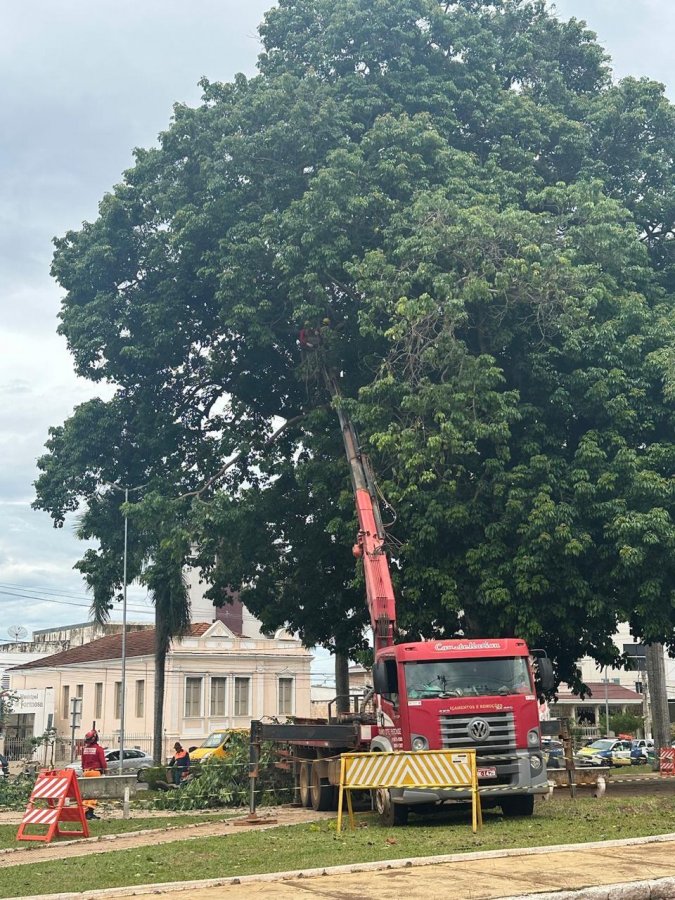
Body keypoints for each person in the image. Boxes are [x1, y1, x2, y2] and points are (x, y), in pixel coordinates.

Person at [81, 729, 107, 820]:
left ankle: (85, 811)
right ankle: (90, 813)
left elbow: (82, 763)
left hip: (86, 772)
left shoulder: (84, 749)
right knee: (93, 793)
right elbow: (103, 762)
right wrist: (105, 770)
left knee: (86, 793)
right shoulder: (99, 749)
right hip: (95, 772)